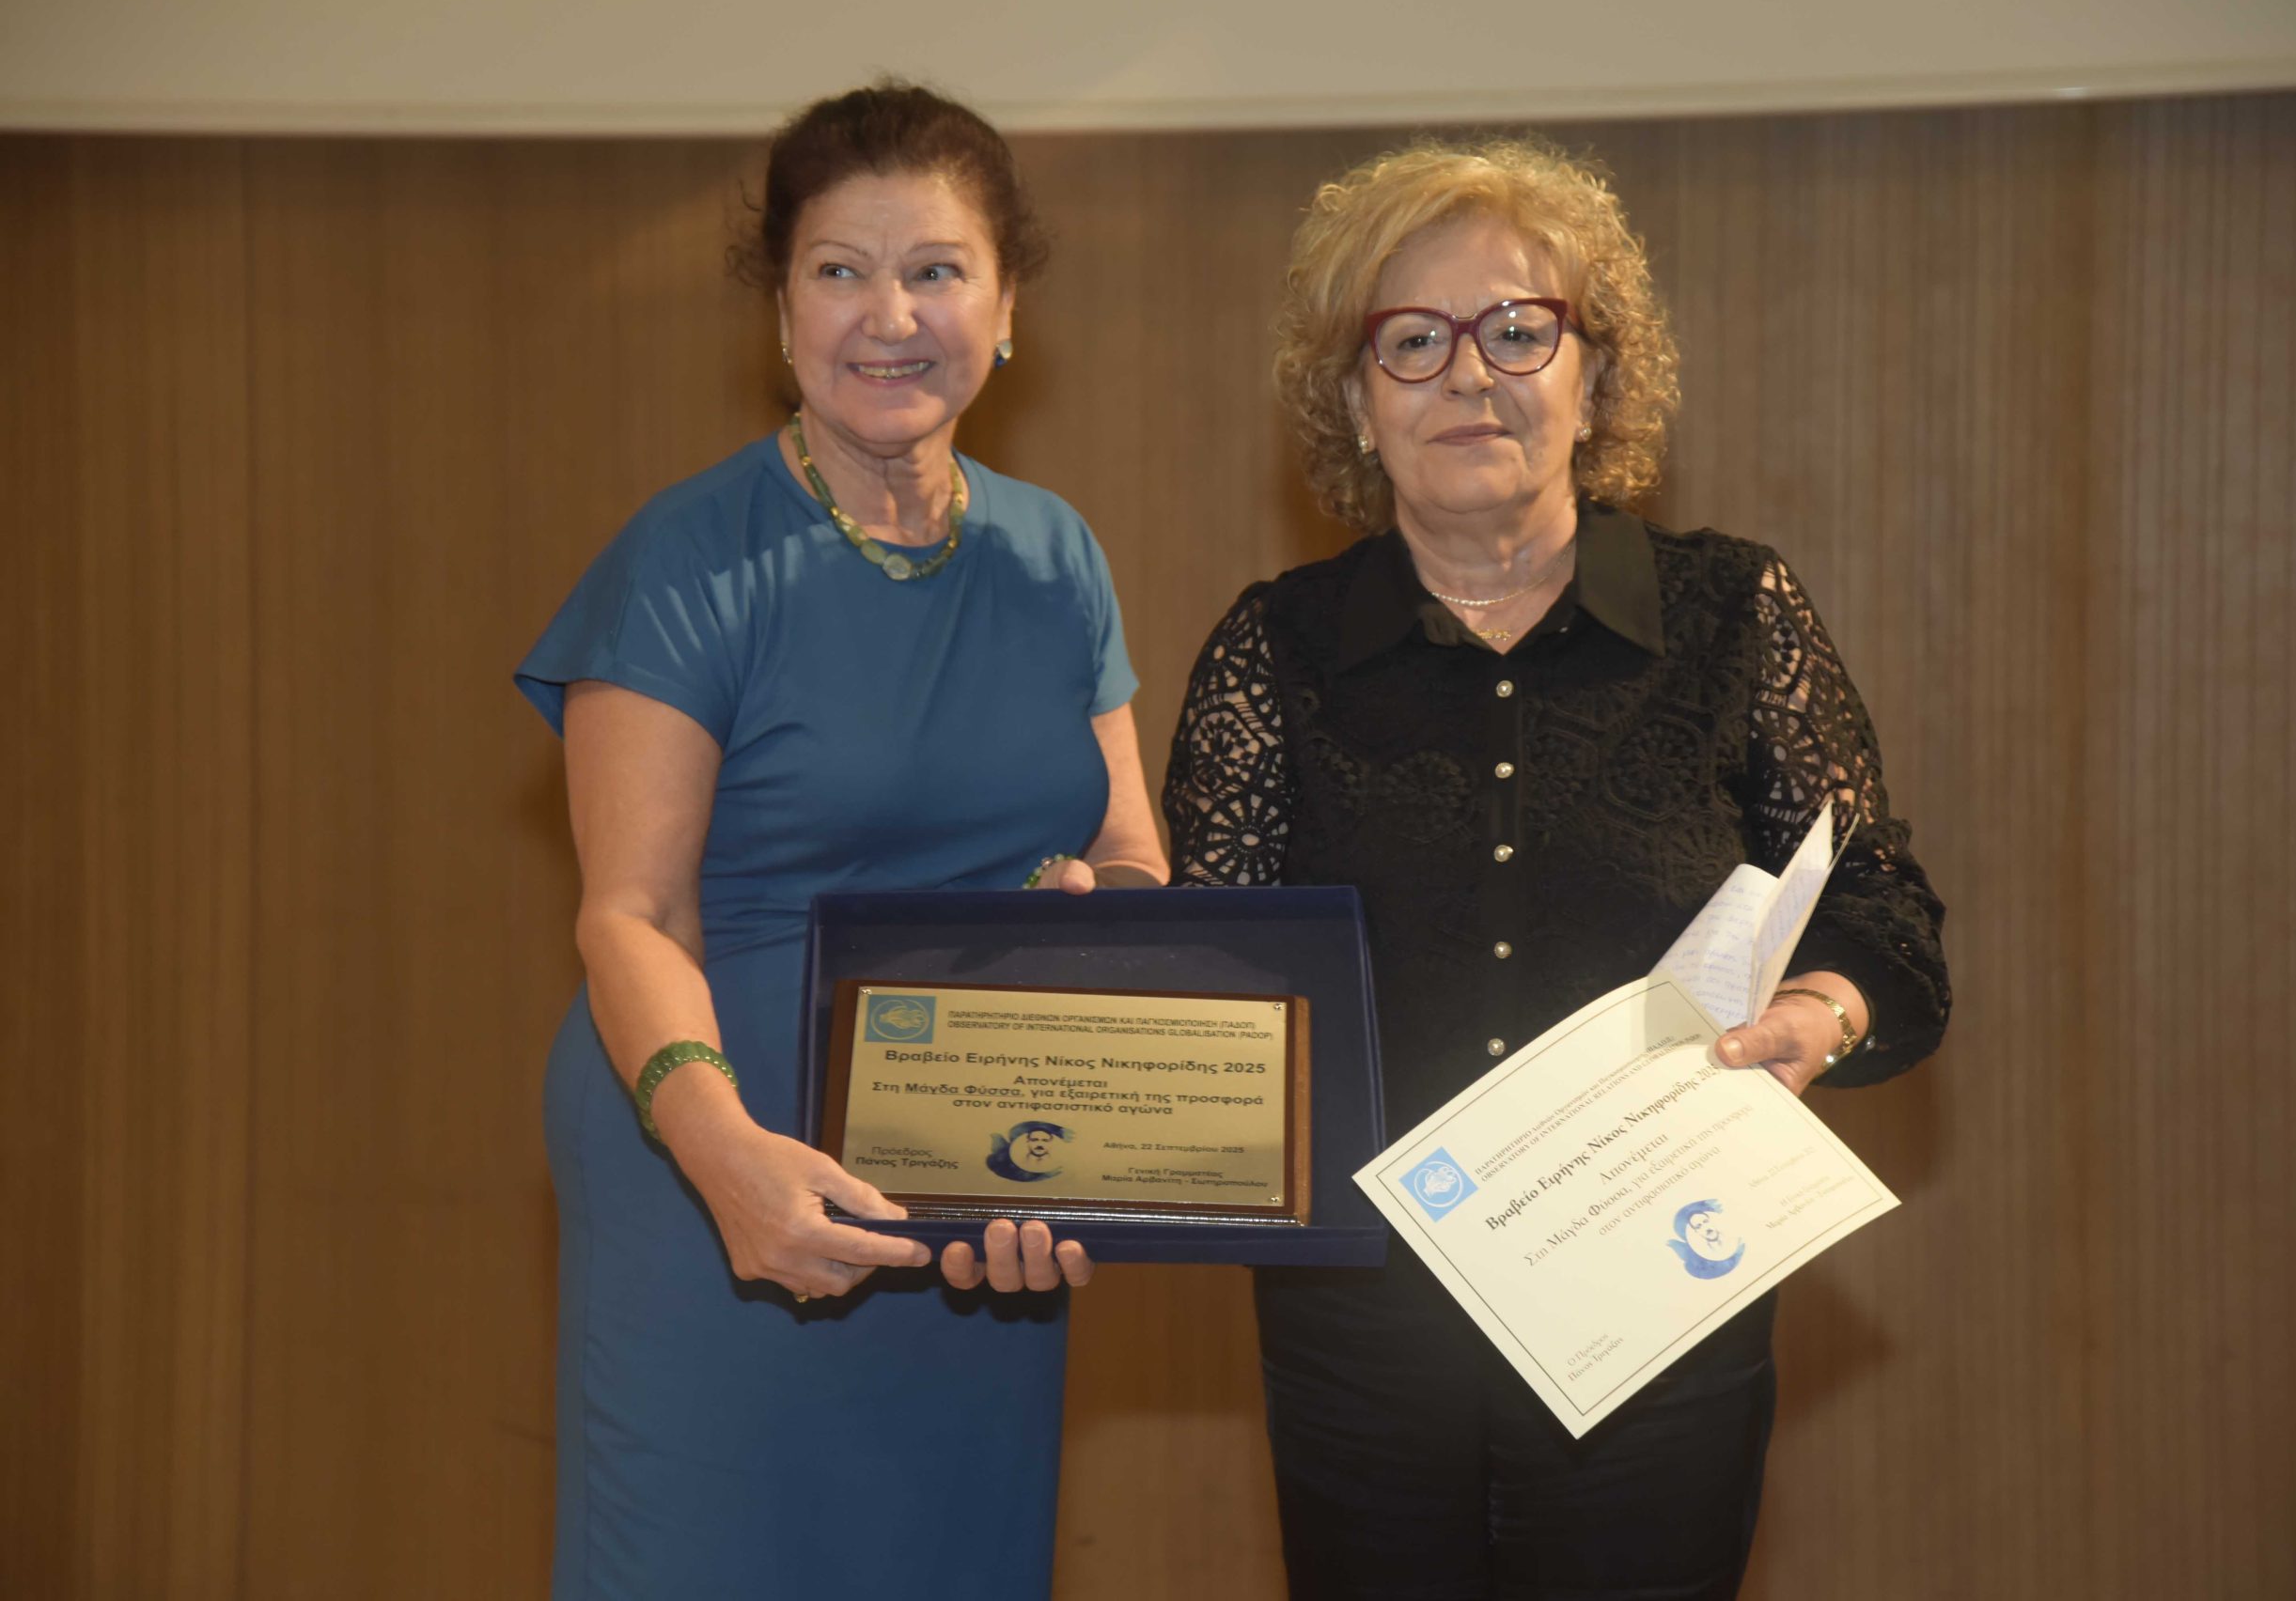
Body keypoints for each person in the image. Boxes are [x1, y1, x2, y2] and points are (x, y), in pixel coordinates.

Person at [1164, 137, 1950, 1600]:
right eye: (1413, 341)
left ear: (1596, 375)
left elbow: (1884, 913)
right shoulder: (1275, 652)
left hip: (1666, 1318)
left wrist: (1823, 1011)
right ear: (1356, 400)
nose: (1471, 375)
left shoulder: (1733, 614)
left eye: (1521, 329)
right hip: (1361, 1357)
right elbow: (1207, 992)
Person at [515, 82, 1166, 1600]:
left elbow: (1132, 848)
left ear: (1007, 309)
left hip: (980, 1173)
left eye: (936, 269)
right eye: (839, 269)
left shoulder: (1057, 553)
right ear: (782, 308)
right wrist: (723, 1155)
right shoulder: (687, 558)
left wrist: (1099, 937)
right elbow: (630, 915)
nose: (890, 315)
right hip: (713, 1164)